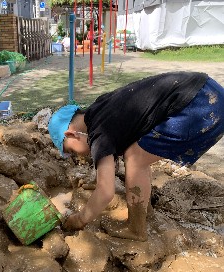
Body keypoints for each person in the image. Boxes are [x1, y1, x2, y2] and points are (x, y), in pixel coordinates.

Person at [48, 72, 224, 241]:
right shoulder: (99, 111)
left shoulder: (99, 135)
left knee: (134, 158)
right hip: (208, 91)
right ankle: (144, 211)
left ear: (71, 134)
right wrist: (99, 178)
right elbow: (114, 147)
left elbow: (106, 192)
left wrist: (79, 219)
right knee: (136, 152)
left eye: (70, 150)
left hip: (200, 107)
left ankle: (136, 229)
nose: (76, 156)